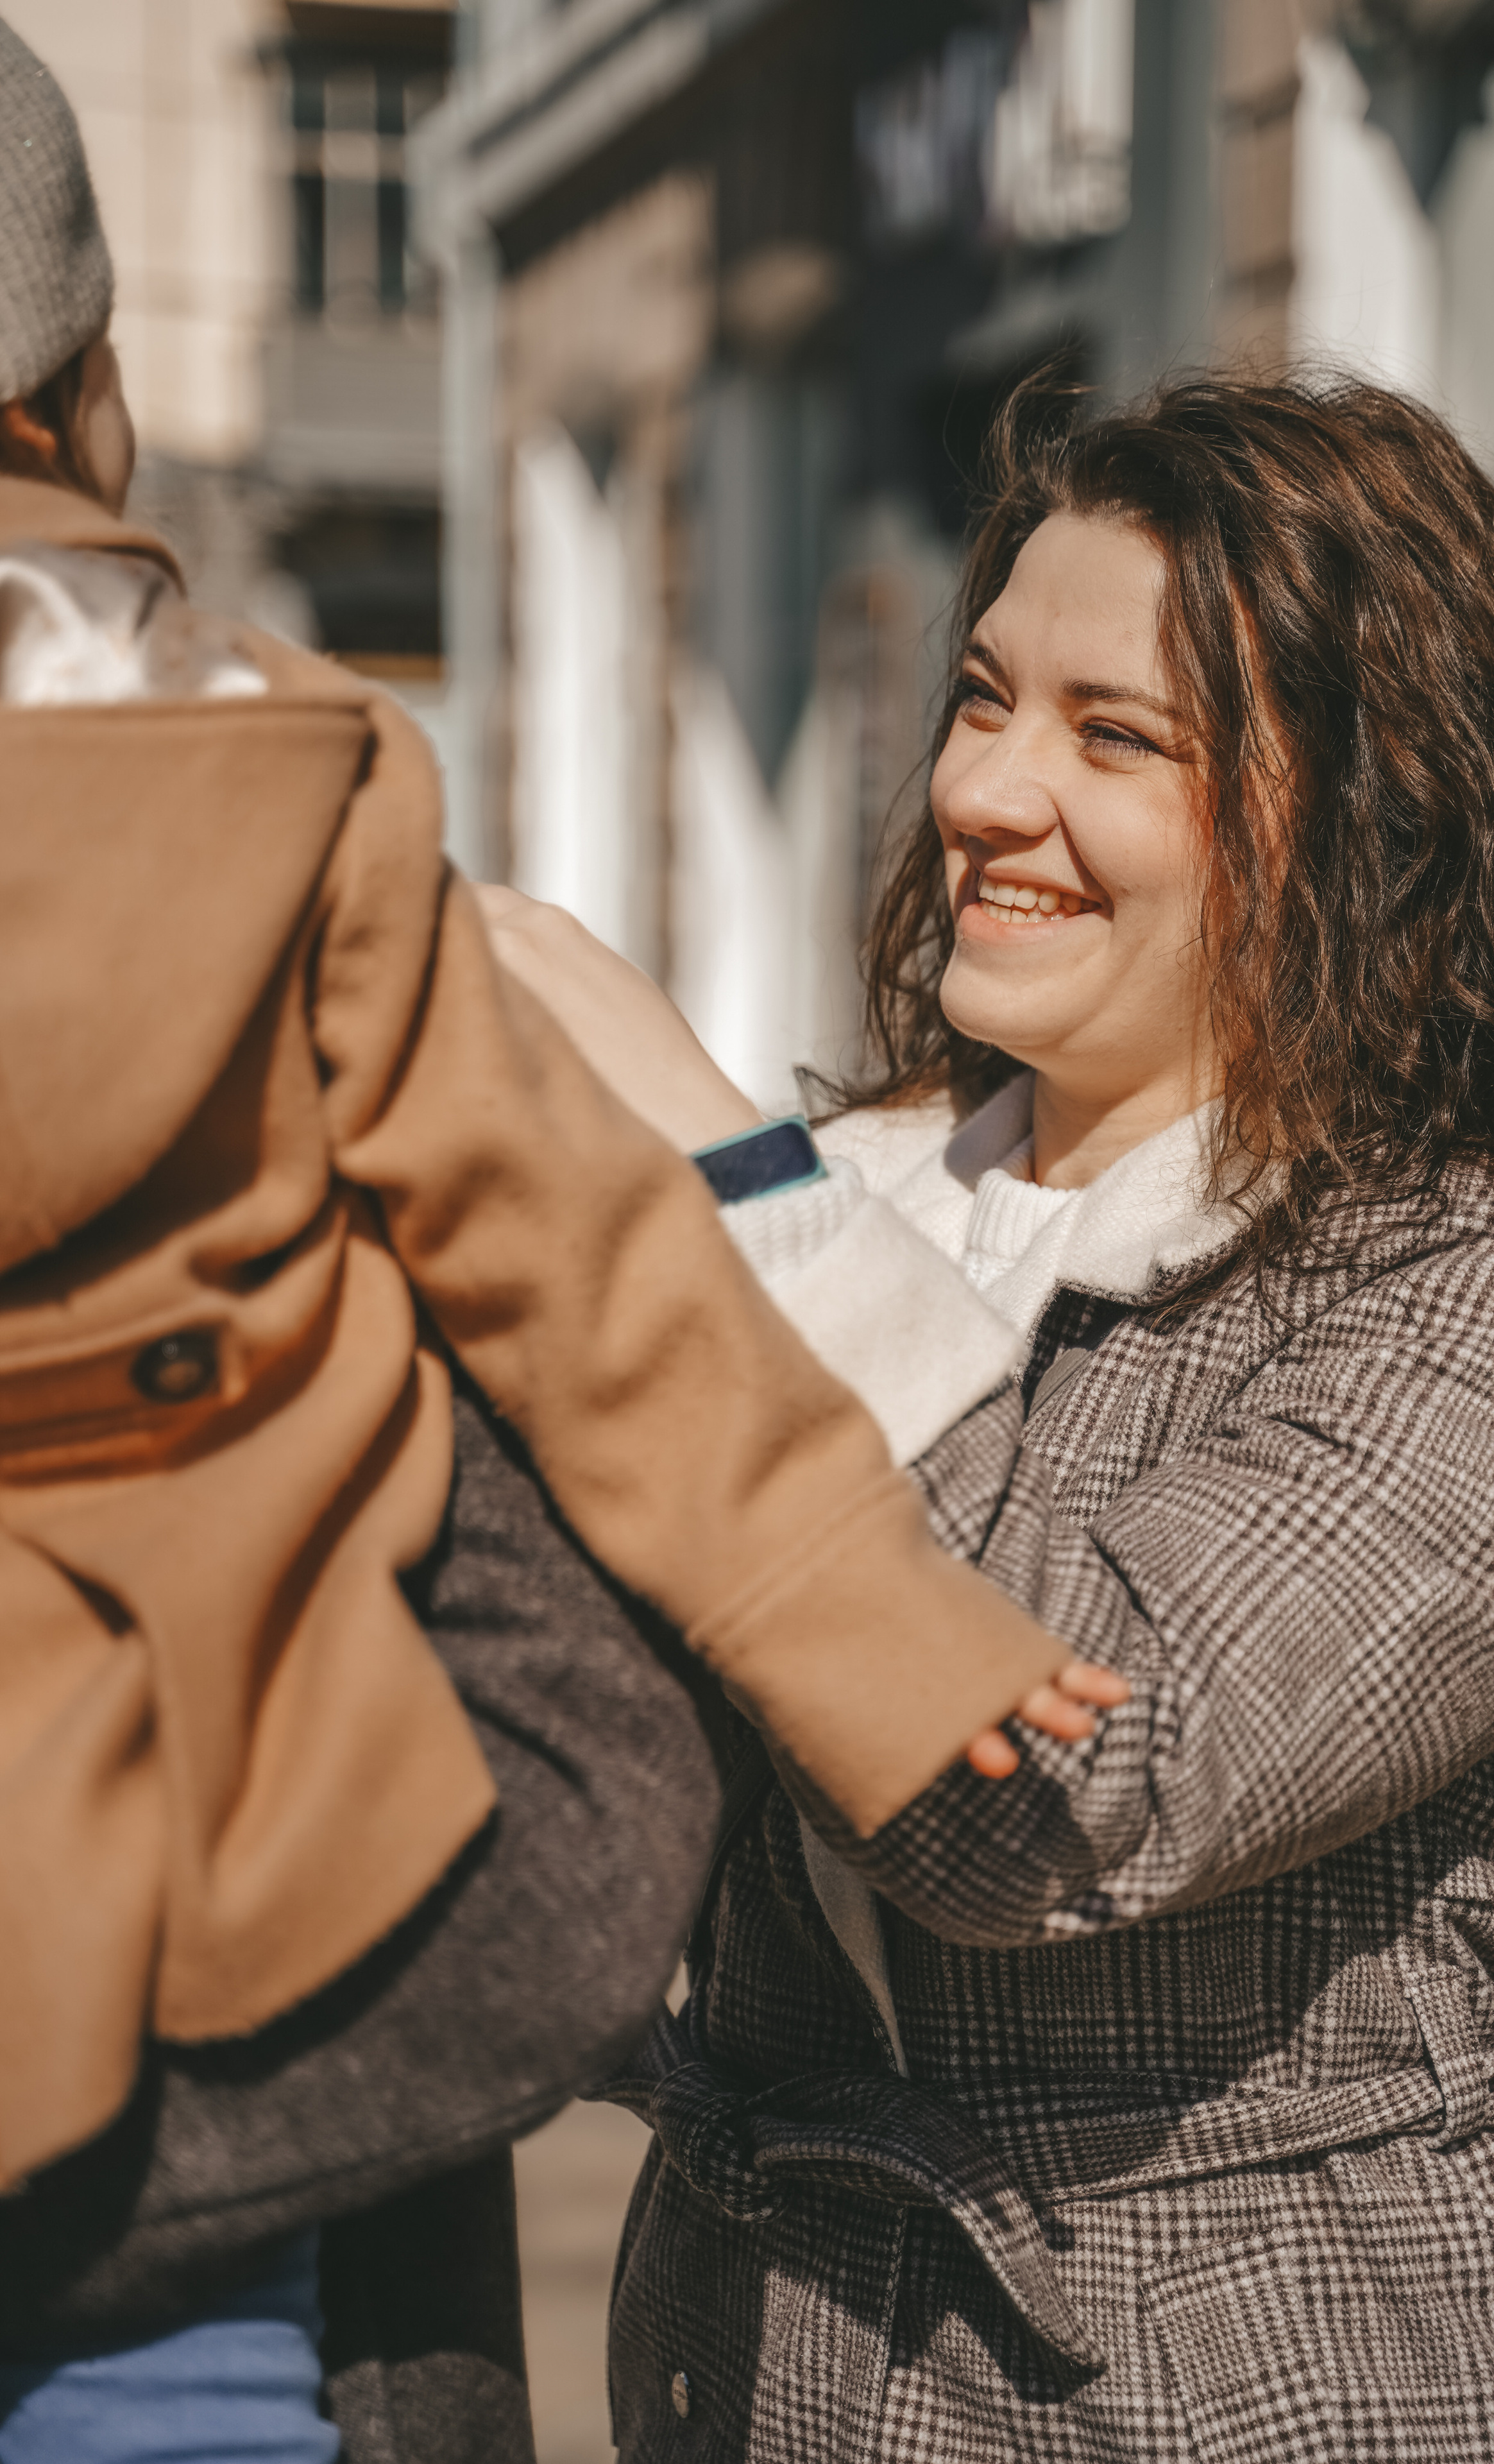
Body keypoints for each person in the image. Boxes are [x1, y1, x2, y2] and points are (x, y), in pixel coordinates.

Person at [0, 24, 1104, 2461]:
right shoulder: (286, 800)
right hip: (228, 1869)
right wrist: (870, 1616)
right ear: (93, 408)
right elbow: (582, 1270)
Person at [489, 373, 1494, 2460]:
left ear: (1371, 823)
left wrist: (719, 1183)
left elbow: (1061, 1798)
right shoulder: (868, 1199)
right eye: (988, 696)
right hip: (755, 2369)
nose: (989, 794)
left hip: (1262, 2395)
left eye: (1121, 740)